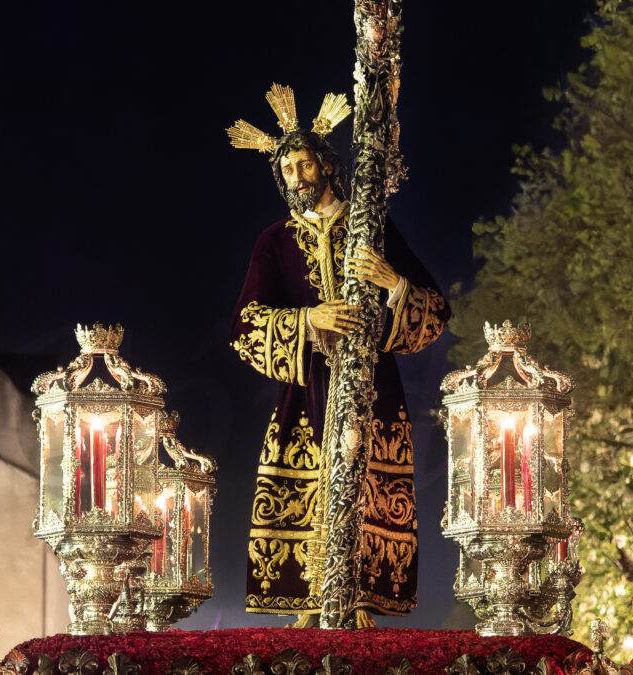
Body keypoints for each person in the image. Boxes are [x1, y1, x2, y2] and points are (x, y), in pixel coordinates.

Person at [227, 85, 449, 627]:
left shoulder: (371, 228)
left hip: (374, 385)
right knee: (303, 482)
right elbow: (244, 325)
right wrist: (309, 320)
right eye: (288, 171)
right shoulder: (276, 240)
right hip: (305, 388)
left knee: (369, 480)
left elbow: (436, 311)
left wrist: (393, 283)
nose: (297, 178)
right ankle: (309, 599)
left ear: (326, 165)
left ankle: (363, 596)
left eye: (304, 165)